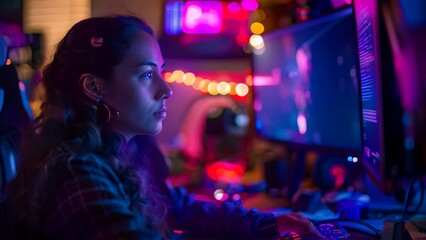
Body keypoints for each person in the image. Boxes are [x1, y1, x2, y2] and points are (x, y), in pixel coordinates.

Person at [2, 15, 322, 239]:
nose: (165, 90)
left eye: (161, 72)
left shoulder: (117, 151)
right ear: (93, 87)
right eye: (146, 74)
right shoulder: (78, 173)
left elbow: (177, 203)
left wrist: (269, 224)